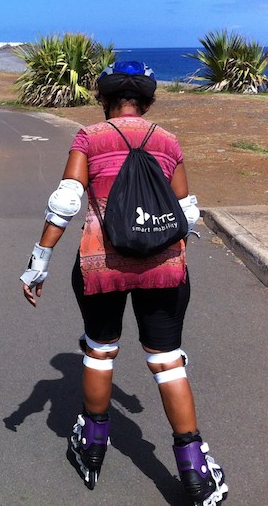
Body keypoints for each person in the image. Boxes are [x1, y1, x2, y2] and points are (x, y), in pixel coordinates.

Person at [19, 62, 227, 505]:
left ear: (105, 100)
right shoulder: (168, 141)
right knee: (168, 360)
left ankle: (92, 446)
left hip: (100, 265)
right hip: (164, 269)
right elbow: (188, 215)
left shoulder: (89, 138)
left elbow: (68, 200)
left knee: (100, 351)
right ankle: (192, 467)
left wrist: (39, 260)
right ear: (147, 102)